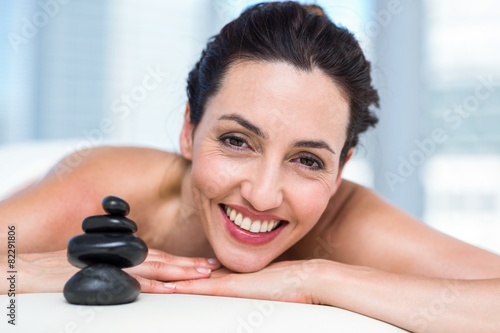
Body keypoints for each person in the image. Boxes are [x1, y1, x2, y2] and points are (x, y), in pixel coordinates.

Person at [1, 2, 499, 332]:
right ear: (188, 129)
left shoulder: (347, 222)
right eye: (237, 141)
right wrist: (34, 267)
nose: (262, 196)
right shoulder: (99, 186)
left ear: (341, 168)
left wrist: (317, 279)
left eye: (307, 160)